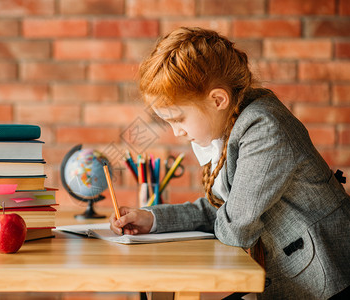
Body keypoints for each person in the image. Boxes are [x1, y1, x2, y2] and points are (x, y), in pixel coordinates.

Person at [109, 27, 350, 300]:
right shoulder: (235, 124)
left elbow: (235, 227)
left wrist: (221, 220)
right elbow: (226, 211)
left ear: (218, 100)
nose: (176, 132)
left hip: (327, 281)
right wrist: (152, 219)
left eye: (177, 119)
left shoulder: (265, 129)